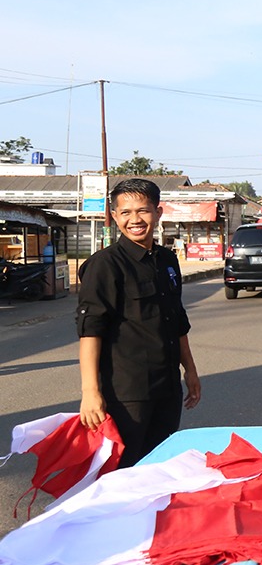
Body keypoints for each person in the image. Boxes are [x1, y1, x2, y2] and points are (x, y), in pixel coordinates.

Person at [76, 178, 201, 468]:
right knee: (124, 470)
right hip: (128, 394)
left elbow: (177, 320)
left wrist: (190, 370)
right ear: (114, 216)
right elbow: (90, 330)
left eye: (143, 211)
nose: (135, 219)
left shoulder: (167, 260)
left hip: (167, 388)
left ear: (158, 212)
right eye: (126, 212)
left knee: (160, 467)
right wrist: (90, 392)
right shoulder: (104, 265)